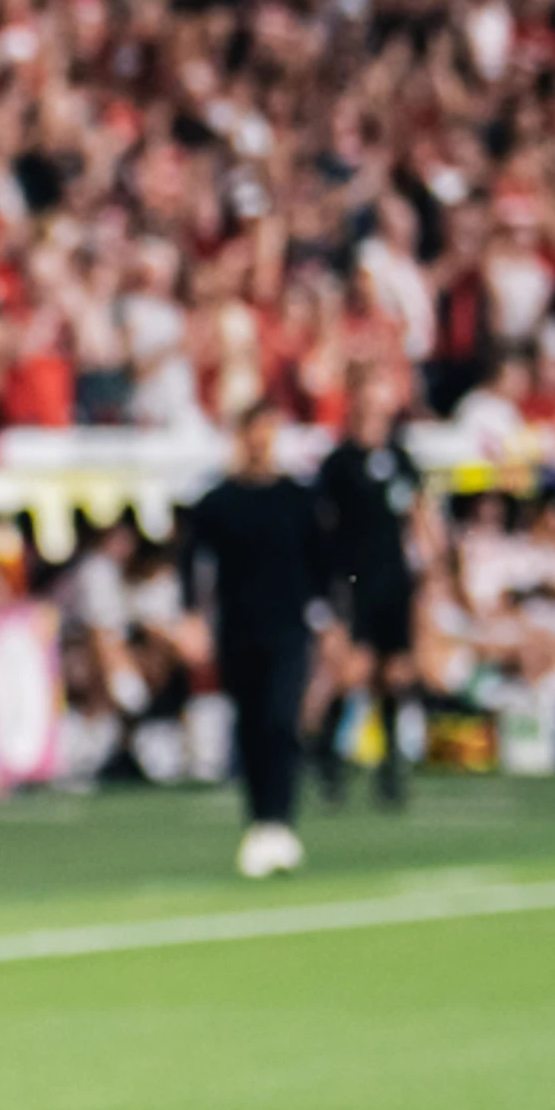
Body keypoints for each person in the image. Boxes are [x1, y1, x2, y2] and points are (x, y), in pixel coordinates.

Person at [185, 400, 328, 880]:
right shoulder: (219, 501)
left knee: (281, 720)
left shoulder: (297, 498)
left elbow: (323, 563)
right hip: (239, 628)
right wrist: (192, 617)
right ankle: (260, 821)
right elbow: (191, 560)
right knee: (249, 726)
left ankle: (281, 819)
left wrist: (330, 619)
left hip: (288, 627)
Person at [312, 372, 436, 807]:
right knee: (354, 670)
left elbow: (418, 514)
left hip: (393, 576)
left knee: (395, 672)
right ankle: (327, 754)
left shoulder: (400, 458)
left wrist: (431, 568)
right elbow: (322, 524)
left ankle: (390, 765)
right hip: (353, 578)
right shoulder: (339, 463)